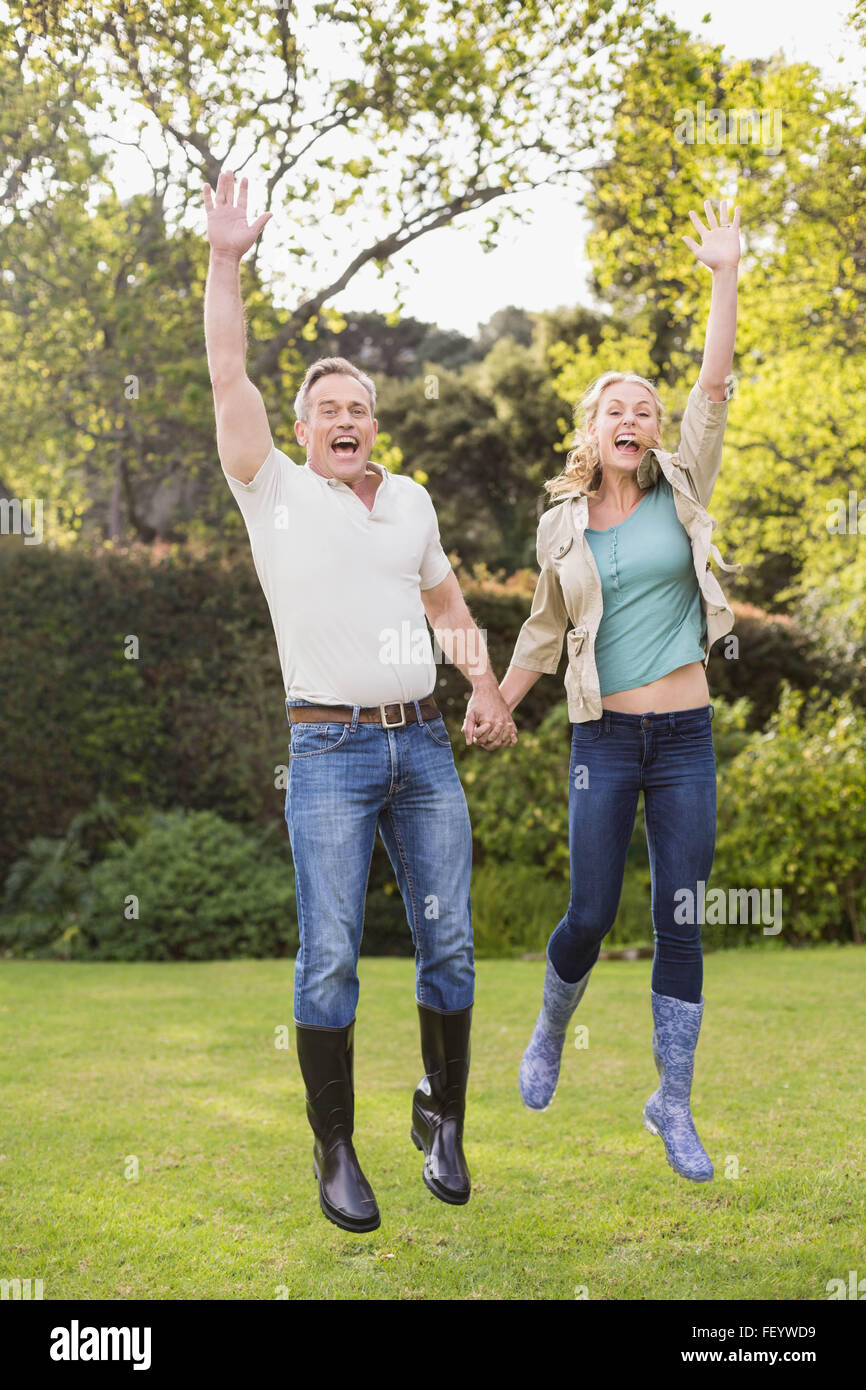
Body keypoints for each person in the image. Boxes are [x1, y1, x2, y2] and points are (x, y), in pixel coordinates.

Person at [202, 171, 517, 1232]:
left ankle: (444, 1117)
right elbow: (227, 372)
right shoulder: (273, 491)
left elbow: (444, 601)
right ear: (297, 430)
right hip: (329, 753)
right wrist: (226, 260)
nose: (347, 420)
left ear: (376, 425)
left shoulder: (412, 501)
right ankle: (333, 1149)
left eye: (359, 409)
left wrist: (479, 680)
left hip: (422, 747)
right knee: (329, 949)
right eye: (327, 409)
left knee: (452, 945)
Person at [482, 198, 743, 1182]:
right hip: (600, 740)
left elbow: (713, 381)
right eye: (614, 408)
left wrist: (721, 274)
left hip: (681, 736)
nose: (631, 417)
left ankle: (669, 1101)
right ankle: (549, 1032)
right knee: (589, 912)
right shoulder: (562, 526)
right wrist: (499, 699)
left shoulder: (684, 485)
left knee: (680, 909)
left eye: (643, 406)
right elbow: (543, 633)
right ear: (590, 430)